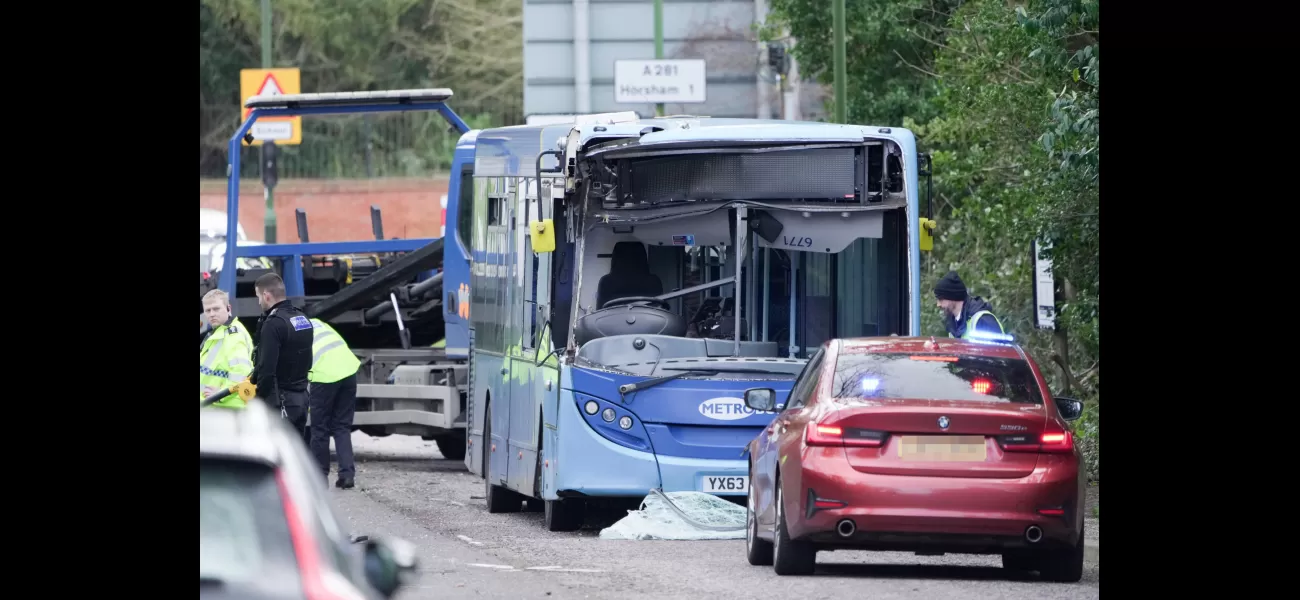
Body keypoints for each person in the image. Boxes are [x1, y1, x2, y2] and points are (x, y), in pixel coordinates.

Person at [250, 273, 314, 439]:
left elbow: (267, 369)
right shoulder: (301, 317)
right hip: (301, 396)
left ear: (266, 295)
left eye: (258, 296)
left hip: (281, 400)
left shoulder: (273, 323)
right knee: (297, 452)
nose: (259, 302)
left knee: (278, 454)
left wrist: (259, 398)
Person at [307, 317, 361, 489]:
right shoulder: (317, 322)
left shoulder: (290, 331)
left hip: (324, 376)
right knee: (341, 427)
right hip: (349, 371)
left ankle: (320, 478)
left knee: (319, 428)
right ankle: (347, 476)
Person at [200, 289, 255, 408]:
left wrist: (220, 394)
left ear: (228, 308)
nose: (212, 314)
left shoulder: (233, 335)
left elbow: (241, 373)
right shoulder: (219, 333)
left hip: (225, 409)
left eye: (216, 309)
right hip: (214, 407)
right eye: (208, 310)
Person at [933, 270, 1006, 340]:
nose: (938, 304)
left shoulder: (983, 320)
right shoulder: (952, 323)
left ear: (952, 297)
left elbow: (999, 352)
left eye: (941, 299)